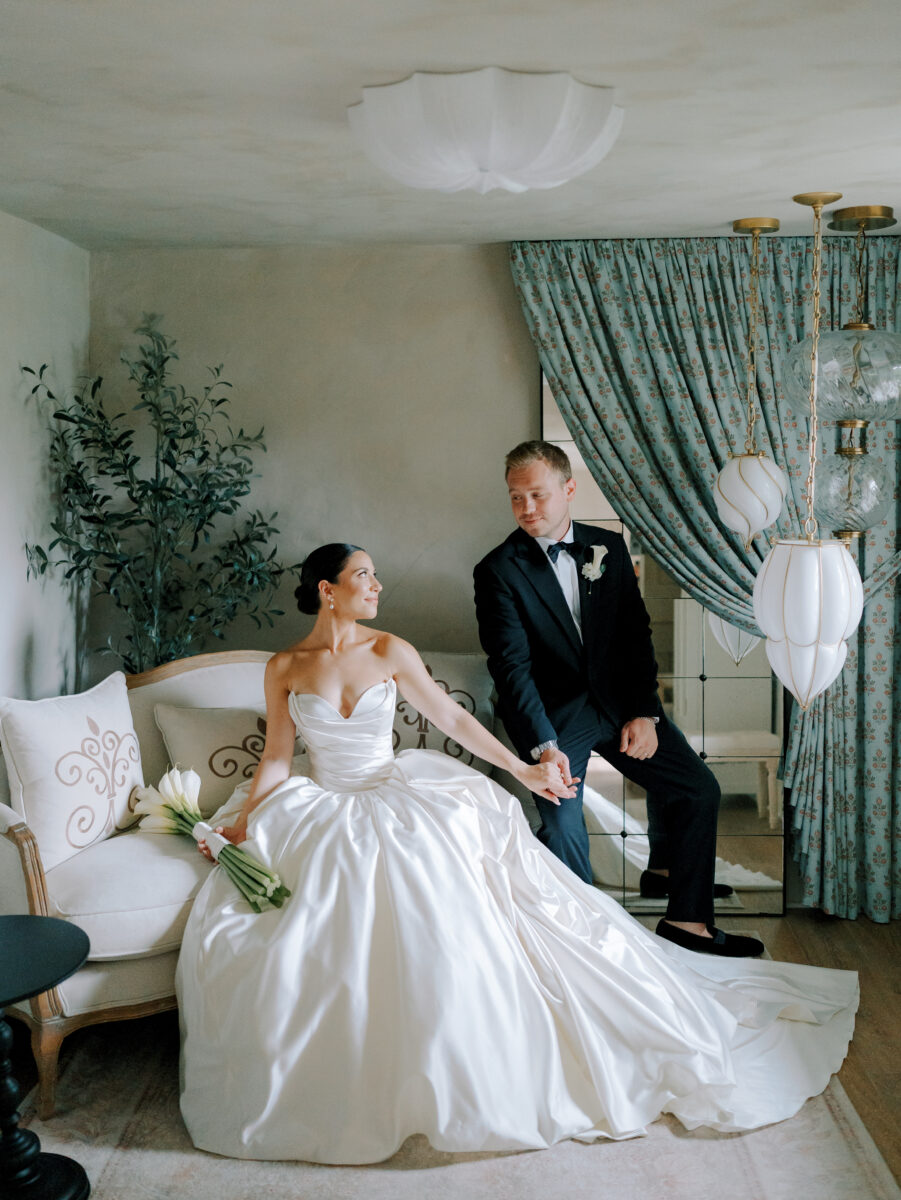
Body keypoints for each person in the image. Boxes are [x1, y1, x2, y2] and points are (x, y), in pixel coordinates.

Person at [177, 542, 858, 1165]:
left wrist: (524, 768)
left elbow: (451, 719)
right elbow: (276, 758)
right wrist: (244, 824)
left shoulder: (390, 650)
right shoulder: (285, 667)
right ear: (328, 590)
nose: (378, 585)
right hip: (325, 802)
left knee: (445, 896)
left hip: (394, 793)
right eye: (364, 576)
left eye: (376, 574)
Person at [474, 440, 749, 957]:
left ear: (569, 489)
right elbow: (511, 669)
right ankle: (586, 942)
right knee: (562, 823)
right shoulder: (498, 570)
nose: (526, 508)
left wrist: (645, 711)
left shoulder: (608, 547)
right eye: (516, 497)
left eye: (537, 494)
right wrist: (544, 746)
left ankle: (687, 920)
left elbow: (634, 635)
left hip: (622, 704)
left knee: (697, 790)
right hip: (556, 717)